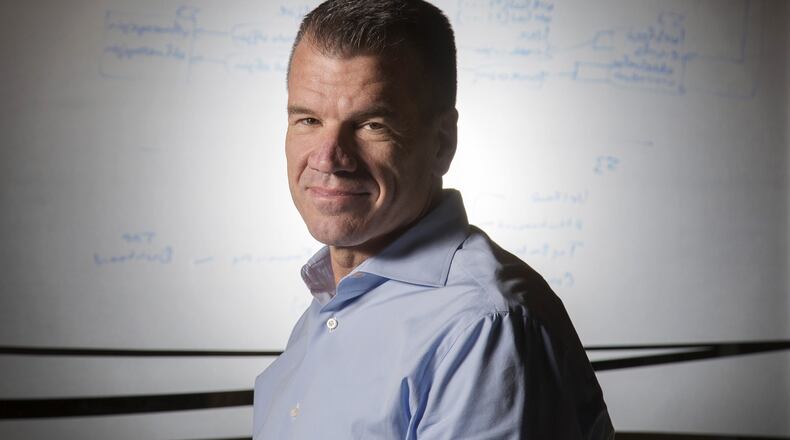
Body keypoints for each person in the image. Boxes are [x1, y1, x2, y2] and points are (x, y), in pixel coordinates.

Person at [253, 0, 614, 438]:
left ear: (442, 143)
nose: (329, 158)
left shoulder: (482, 327)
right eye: (308, 119)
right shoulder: (333, 300)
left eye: (371, 124)